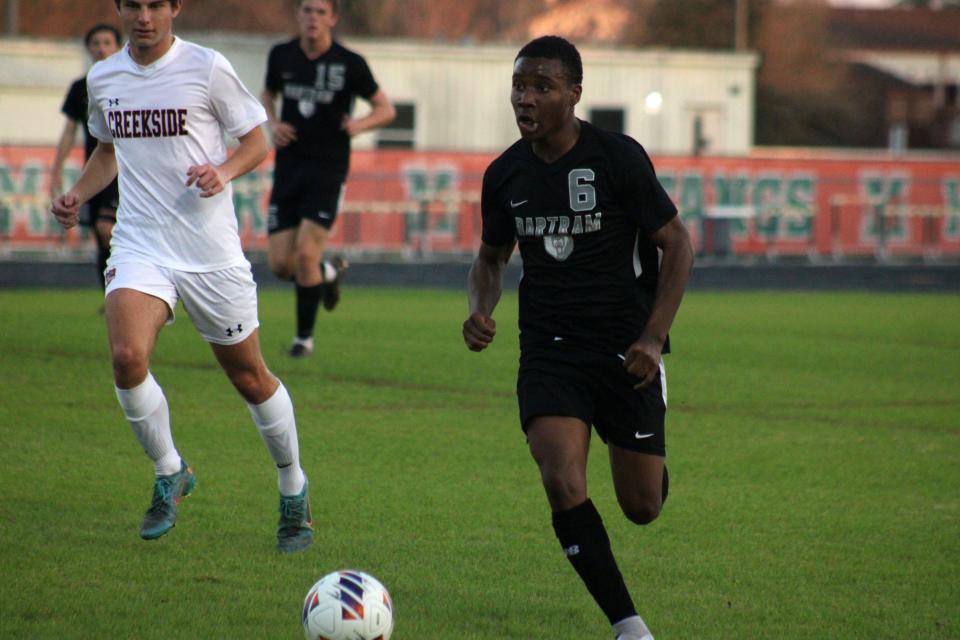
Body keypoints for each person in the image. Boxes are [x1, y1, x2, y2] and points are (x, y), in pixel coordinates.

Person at [51, 0, 313, 554]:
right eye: (133, 5)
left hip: (210, 252)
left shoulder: (207, 67)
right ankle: (170, 470)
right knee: (126, 357)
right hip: (141, 242)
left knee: (250, 377)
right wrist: (78, 192)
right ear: (120, 9)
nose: (143, 16)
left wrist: (223, 171)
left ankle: (293, 485)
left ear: (174, 8)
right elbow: (107, 149)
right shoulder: (104, 77)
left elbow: (257, 141)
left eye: (154, 5)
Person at [462, 36, 694, 640]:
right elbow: (490, 258)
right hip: (550, 350)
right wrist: (481, 309)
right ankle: (629, 625)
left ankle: (648, 435)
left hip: (626, 348)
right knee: (562, 480)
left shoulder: (617, 158)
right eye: (519, 86)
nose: (525, 98)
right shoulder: (505, 173)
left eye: (541, 86)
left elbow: (678, 244)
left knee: (642, 506)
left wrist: (653, 337)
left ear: (574, 93)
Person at [261, 0, 395, 357]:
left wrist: (358, 124)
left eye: (321, 12)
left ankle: (303, 339)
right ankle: (328, 273)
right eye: (307, 10)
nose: (313, 18)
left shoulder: (350, 63)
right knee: (279, 264)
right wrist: (273, 124)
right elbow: (267, 94)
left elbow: (386, 109)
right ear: (298, 15)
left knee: (305, 253)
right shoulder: (281, 55)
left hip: (328, 170)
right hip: (288, 169)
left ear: (333, 18)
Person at [49, 24, 122, 293]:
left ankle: (124, 286)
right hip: (97, 169)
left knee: (106, 228)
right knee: (101, 236)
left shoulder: (127, 82)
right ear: (88, 48)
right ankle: (112, 289)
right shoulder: (82, 86)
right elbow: (69, 129)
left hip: (123, 169)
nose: (101, 48)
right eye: (96, 43)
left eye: (107, 42)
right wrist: (56, 168)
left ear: (118, 46)